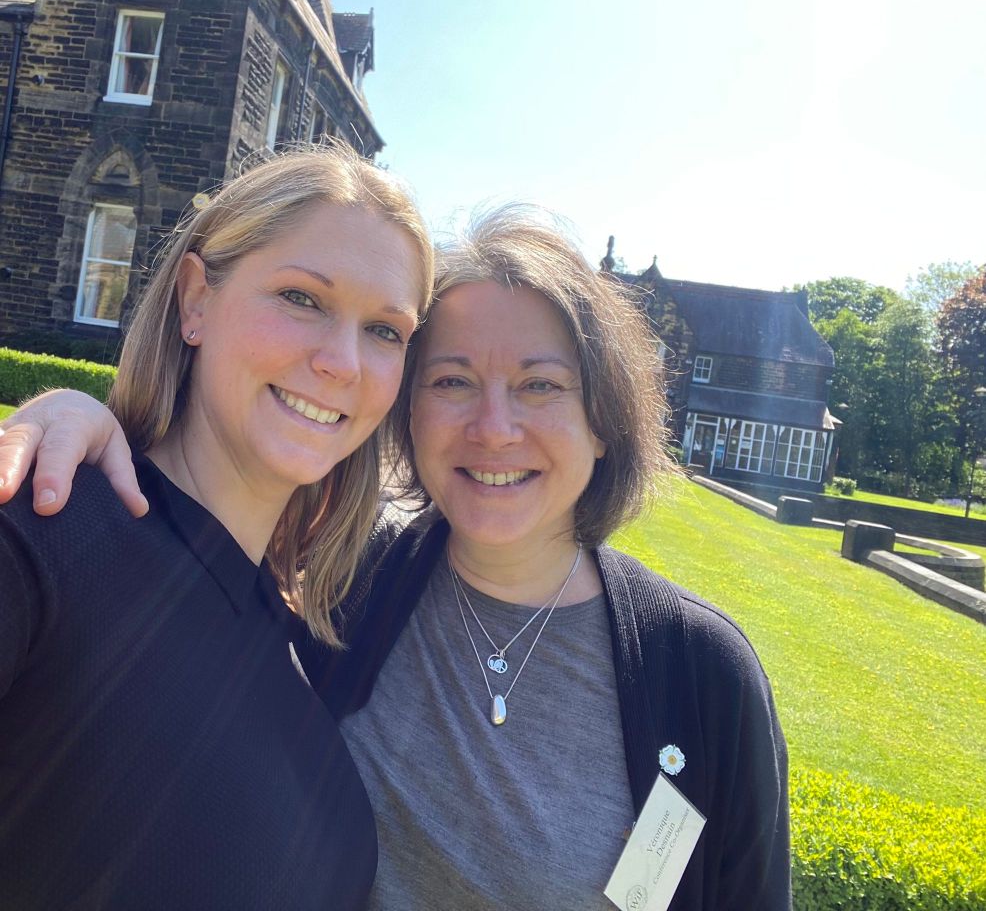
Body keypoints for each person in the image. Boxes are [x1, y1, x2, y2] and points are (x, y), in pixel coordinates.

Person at [0, 209, 791, 910]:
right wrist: (72, 417)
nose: (493, 427)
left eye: (540, 386)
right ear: (407, 411)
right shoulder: (339, 578)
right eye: (452, 380)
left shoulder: (700, 674)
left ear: (605, 422)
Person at [0, 144, 434, 909]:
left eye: (386, 331)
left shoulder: (313, 640)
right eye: (302, 298)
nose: (342, 362)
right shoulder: (44, 523)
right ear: (196, 300)